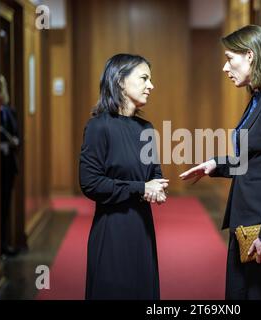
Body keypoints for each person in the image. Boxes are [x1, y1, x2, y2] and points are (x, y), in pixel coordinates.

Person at [180, 25, 261, 300]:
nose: (225, 68)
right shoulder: (258, 99)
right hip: (246, 223)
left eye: (229, 58)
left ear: (250, 55)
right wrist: (216, 165)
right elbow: (254, 160)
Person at [79, 54, 168, 300]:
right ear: (120, 81)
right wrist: (141, 187)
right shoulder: (98, 126)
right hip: (112, 230)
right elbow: (91, 183)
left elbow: (155, 175)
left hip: (142, 230)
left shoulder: (147, 129)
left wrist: (157, 188)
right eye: (144, 78)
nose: (151, 85)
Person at [0, 74, 20, 257]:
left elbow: (18, 138)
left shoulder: (9, 111)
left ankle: (3, 243)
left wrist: (13, 141)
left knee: (5, 205)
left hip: (7, 165)